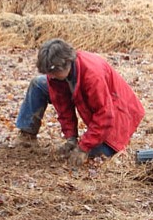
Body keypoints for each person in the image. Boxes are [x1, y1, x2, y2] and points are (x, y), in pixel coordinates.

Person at [15, 38, 144, 165]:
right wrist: (71, 137)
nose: (50, 76)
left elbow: (105, 114)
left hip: (120, 112)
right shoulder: (56, 75)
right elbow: (62, 105)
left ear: (66, 63)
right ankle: (27, 135)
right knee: (38, 84)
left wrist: (84, 147)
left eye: (53, 72)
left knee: (97, 153)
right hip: (96, 104)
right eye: (49, 73)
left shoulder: (93, 76)